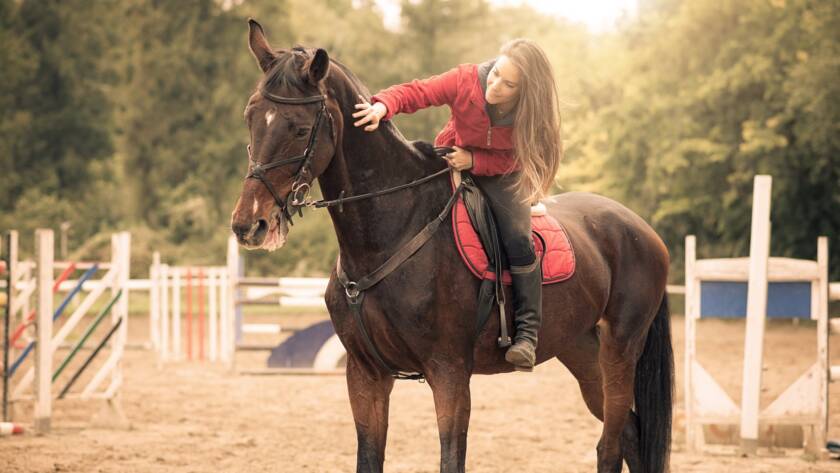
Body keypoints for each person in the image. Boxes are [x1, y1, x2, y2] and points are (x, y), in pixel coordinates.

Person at [352, 39, 563, 371]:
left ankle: (527, 334)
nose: (494, 86)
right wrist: (382, 106)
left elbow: (520, 158)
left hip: (502, 172)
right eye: (495, 74)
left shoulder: (532, 115)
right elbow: (418, 92)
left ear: (526, 92)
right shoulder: (465, 80)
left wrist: (476, 160)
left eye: (508, 85)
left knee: (519, 239)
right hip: (449, 157)